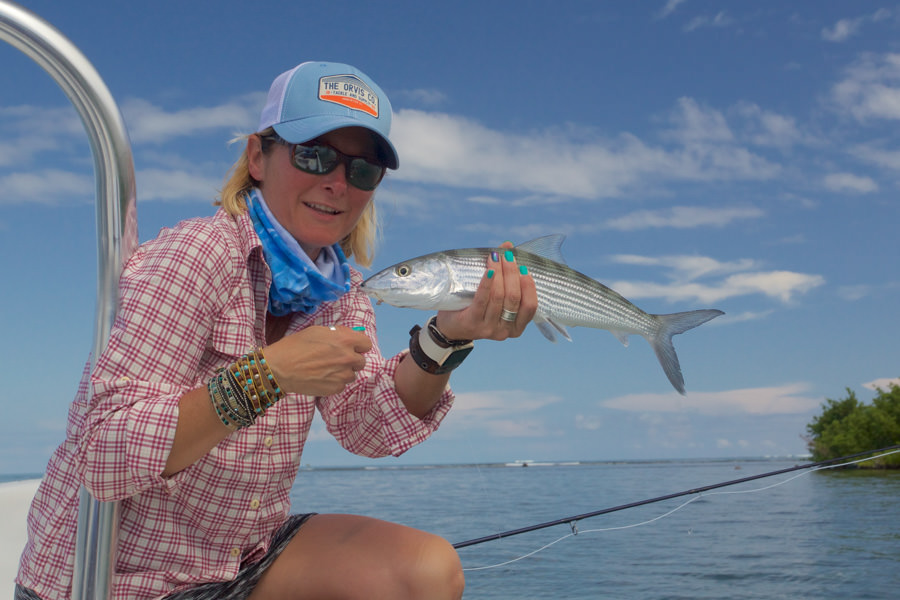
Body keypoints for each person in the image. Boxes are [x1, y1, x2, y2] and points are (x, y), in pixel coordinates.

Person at [15, 61, 538, 600]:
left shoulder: (342, 289)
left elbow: (368, 427)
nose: (337, 182)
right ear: (257, 157)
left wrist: (445, 339)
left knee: (429, 571)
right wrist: (266, 375)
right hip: (118, 581)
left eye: (362, 171)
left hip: (242, 559)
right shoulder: (194, 256)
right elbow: (103, 453)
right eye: (314, 154)